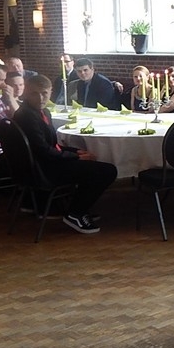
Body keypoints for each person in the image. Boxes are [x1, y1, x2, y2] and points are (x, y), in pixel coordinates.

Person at [13, 75, 117, 235]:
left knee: (95, 163)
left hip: (45, 162)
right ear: (26, 93)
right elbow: (43, 151)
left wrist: (75, 151)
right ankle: (75, 213)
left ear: (50, 92)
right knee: (107, 171)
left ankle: (78, 208)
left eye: (44, 93)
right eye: (35, 93)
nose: (40, 98)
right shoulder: (27, 116)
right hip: (43, 169)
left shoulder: (41, 111)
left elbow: (50, 145)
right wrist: (76, 157)